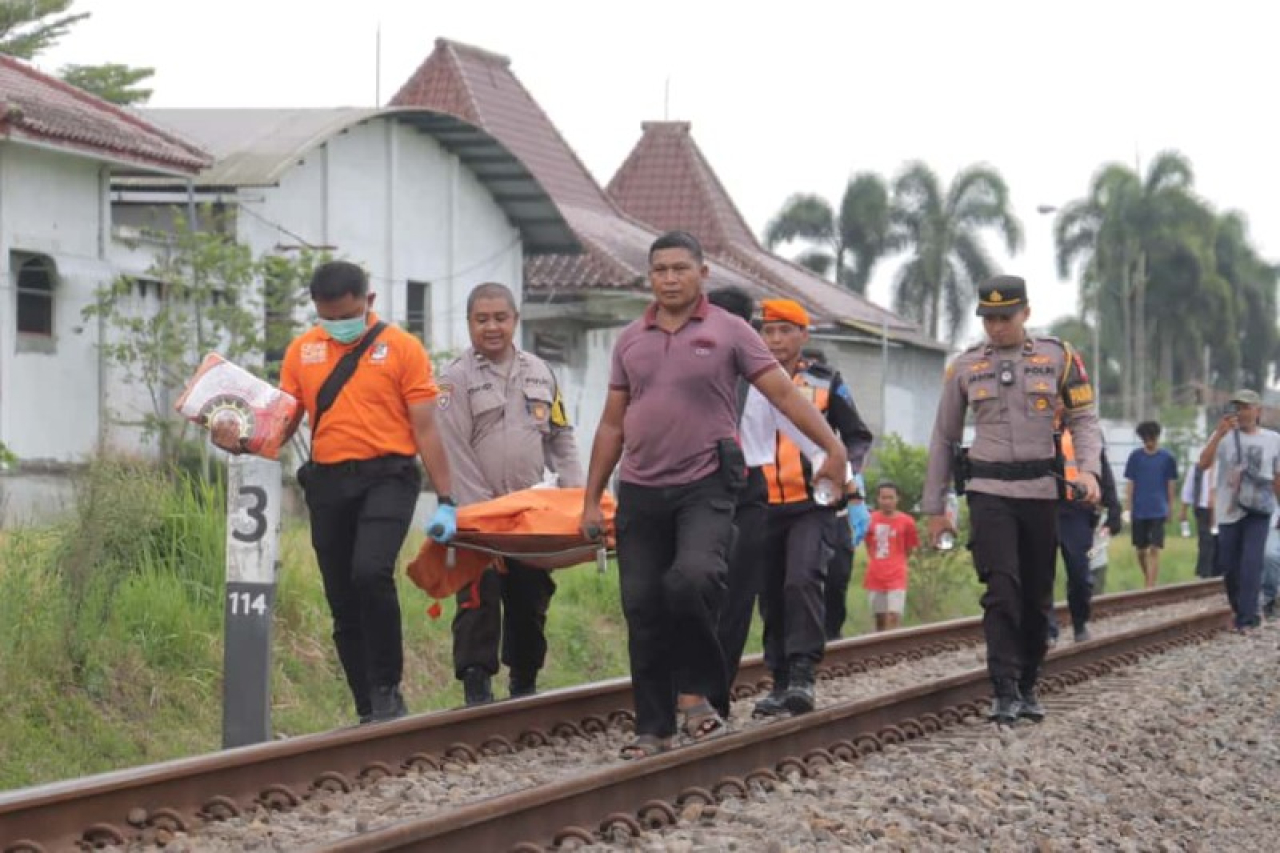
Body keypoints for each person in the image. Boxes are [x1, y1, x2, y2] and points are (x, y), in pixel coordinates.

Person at [579, 231, 849, 760]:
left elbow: (783, 393)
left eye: (680, 268)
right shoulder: (630, 339)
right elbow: (612, 423)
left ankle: (696, 693)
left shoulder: (731, 332)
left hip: (707, 482)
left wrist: (832, 448)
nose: (670, 279)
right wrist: (591, 498)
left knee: (693, 578)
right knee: (642, 605)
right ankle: (653, 728)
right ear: (650, 277)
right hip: (640, 487)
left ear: (702, 274)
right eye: (660, 270)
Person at [213, 260, 457, 724]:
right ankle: (367, 706)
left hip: (389, 477)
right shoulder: (301, 352)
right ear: (316, 309)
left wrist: (446, 499)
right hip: (328, 482)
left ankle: (387, 689)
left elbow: (426, 428)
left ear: (369, 302)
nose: (338, 325)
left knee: (371, 573)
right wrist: (240, 440)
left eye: (346, 315)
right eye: (328, 317)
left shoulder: (403, 348)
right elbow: (282, 426)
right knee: (342, 597)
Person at [923, 275, 1102, 725]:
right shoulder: (964, 366)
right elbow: (944, 437)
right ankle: (1003, 688)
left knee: (1037, 595)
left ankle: (1028, 684)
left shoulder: (1059, 357)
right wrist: (935, 508)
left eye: (1005, 317)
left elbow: (1083, 419)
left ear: (1026, 313)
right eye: (989, 319)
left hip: (1041, 493)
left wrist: (1088, 471)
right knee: (1002, 590)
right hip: (988, 493)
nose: (997, 327)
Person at [436, 282, 583, 705]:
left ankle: (524, 684)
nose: (492, 327)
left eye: (500, 318)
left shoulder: (541, 372)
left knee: (530, 596)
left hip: (531, 515)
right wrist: (486, 521)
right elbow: (454, 452)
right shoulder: (454, 380)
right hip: (477, 515)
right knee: (477, 597)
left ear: (515, 320)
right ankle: (476, 688)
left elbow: (561, 437)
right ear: (469, 323)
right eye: (481, 319)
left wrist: (578, 499)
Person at [752, 299, 873, 717]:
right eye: (769, 331)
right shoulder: (747, 381)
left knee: (801, 581)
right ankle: (779, 680)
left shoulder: (825, 382)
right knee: (770, 592)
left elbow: (857, 437)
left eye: (785, 331)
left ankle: (802, 674)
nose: (776, 340)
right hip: (760, 503)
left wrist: (846, 475)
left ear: (804, 335)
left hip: (812, 504)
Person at [1197, 390, 1280, 631]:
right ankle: (1239, 608)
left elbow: (1277, 477)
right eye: (1238, 407)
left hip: (1259, 510)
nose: (1241, 412)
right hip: (1229, 510)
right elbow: (1203, 463)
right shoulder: (1224, 436)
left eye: (1246, 407)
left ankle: (1247, 618)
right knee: (1229, 565)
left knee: (1252, 562)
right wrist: (1218, 434)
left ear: (1258, 411)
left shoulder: (1273, 440)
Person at [802, 349, 868, 641]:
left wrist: (853, 489)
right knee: (798, 579)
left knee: (837, 576)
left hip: (834, 499)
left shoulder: (830, 391)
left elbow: (857, 438)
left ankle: (832, 635)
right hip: (789, 499)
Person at [1124, 421, 1178, 589]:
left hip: (1158, 509)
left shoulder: (1167, 458)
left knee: (1155, 548)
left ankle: (1150, 586)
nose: (1149, 442)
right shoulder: (1135, 457)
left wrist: (1170, 507)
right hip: (1139, 509)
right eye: (1145, 439)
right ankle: (1149, 578)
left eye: (1152, 439)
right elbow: (1130, 483)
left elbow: (1171, 484)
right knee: (1141, 550)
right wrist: (1127, 507)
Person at [862, 481, 919, 631]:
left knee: (894, 615)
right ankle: (880, 644)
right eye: (883, 498)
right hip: (875, 575)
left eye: (890, 498)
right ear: (878, 499)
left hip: (897, 575)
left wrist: (898, 561)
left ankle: (895, 644)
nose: (887, 501)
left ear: (897, 499)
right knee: (880, 619)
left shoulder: (907, 522)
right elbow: (868, 544)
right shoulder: (869, 519)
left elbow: (909, 548)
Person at [1179, 450, 1218, 578]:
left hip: (1220, 510)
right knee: (1205, 541)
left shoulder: (1222, 467)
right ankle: (1204, 573)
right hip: (1202, 509)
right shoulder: (1196, 469)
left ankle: (1216, 572)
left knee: (1218, 541)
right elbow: (1188, 489)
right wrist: (1183, 510)